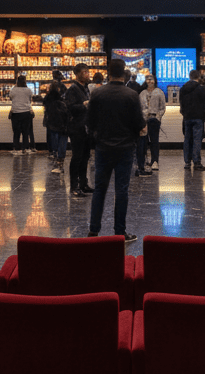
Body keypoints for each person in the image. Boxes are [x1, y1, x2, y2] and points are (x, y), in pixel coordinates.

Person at [86, 58, 145, 241]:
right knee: (122, 191)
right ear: (124, 72)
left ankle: (94, 230)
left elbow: (89, 122)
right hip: (125, 148)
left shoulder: (97, 94)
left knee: (99, 190)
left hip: (103, 147)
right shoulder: (131, 95)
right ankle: (120, 232)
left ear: (108, 72)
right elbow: (139, 124)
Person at [66, 63, 94, 197]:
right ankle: (74, 186)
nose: (87, 74)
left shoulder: (86, 88)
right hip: (76, 127)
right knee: (77, 157)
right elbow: (70, 107)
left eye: (88, 72)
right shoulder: (72, 89)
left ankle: (83, 183)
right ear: (77, 75)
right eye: (84, 72)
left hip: (86, 127)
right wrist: (83, 105)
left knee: (85, 157)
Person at [179, 68, 205, 170]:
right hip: (198, 117)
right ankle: (197, 162)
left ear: (190, 76)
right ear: (198, 77)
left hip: (187, 117)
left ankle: (187, 162)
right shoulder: (201, 88)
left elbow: (181, 103)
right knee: (197, 140)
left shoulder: (183, 88)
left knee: (187, 139)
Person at [137, 76, 165, 175]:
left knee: (154, 141)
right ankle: (143, 162)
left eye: (151, 79)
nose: (150, 81)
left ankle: (154, 161)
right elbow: (139, 107)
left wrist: (158, 117)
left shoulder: (159, 92)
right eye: (148, 79)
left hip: (154, 119)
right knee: (143, 142)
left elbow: (162, 107)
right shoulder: (142, 93)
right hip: (144, 120)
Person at [43, 83, 70, 174]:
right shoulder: (62, 97)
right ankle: (60, 157)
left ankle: (54, 152)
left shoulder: (47, 98)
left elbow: (45, 106)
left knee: (53, 136)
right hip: (62, 121)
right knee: (62, 138)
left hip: (52, 121)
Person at [8, 75, 35, 155]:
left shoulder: (13, 90)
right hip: (26, 112)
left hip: (16, 112)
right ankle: (25, 148)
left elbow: (11, 98)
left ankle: (16, 149)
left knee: (16, 132)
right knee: (25, 132)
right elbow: (30, 99)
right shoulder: (28, 90)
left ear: (17, 81)